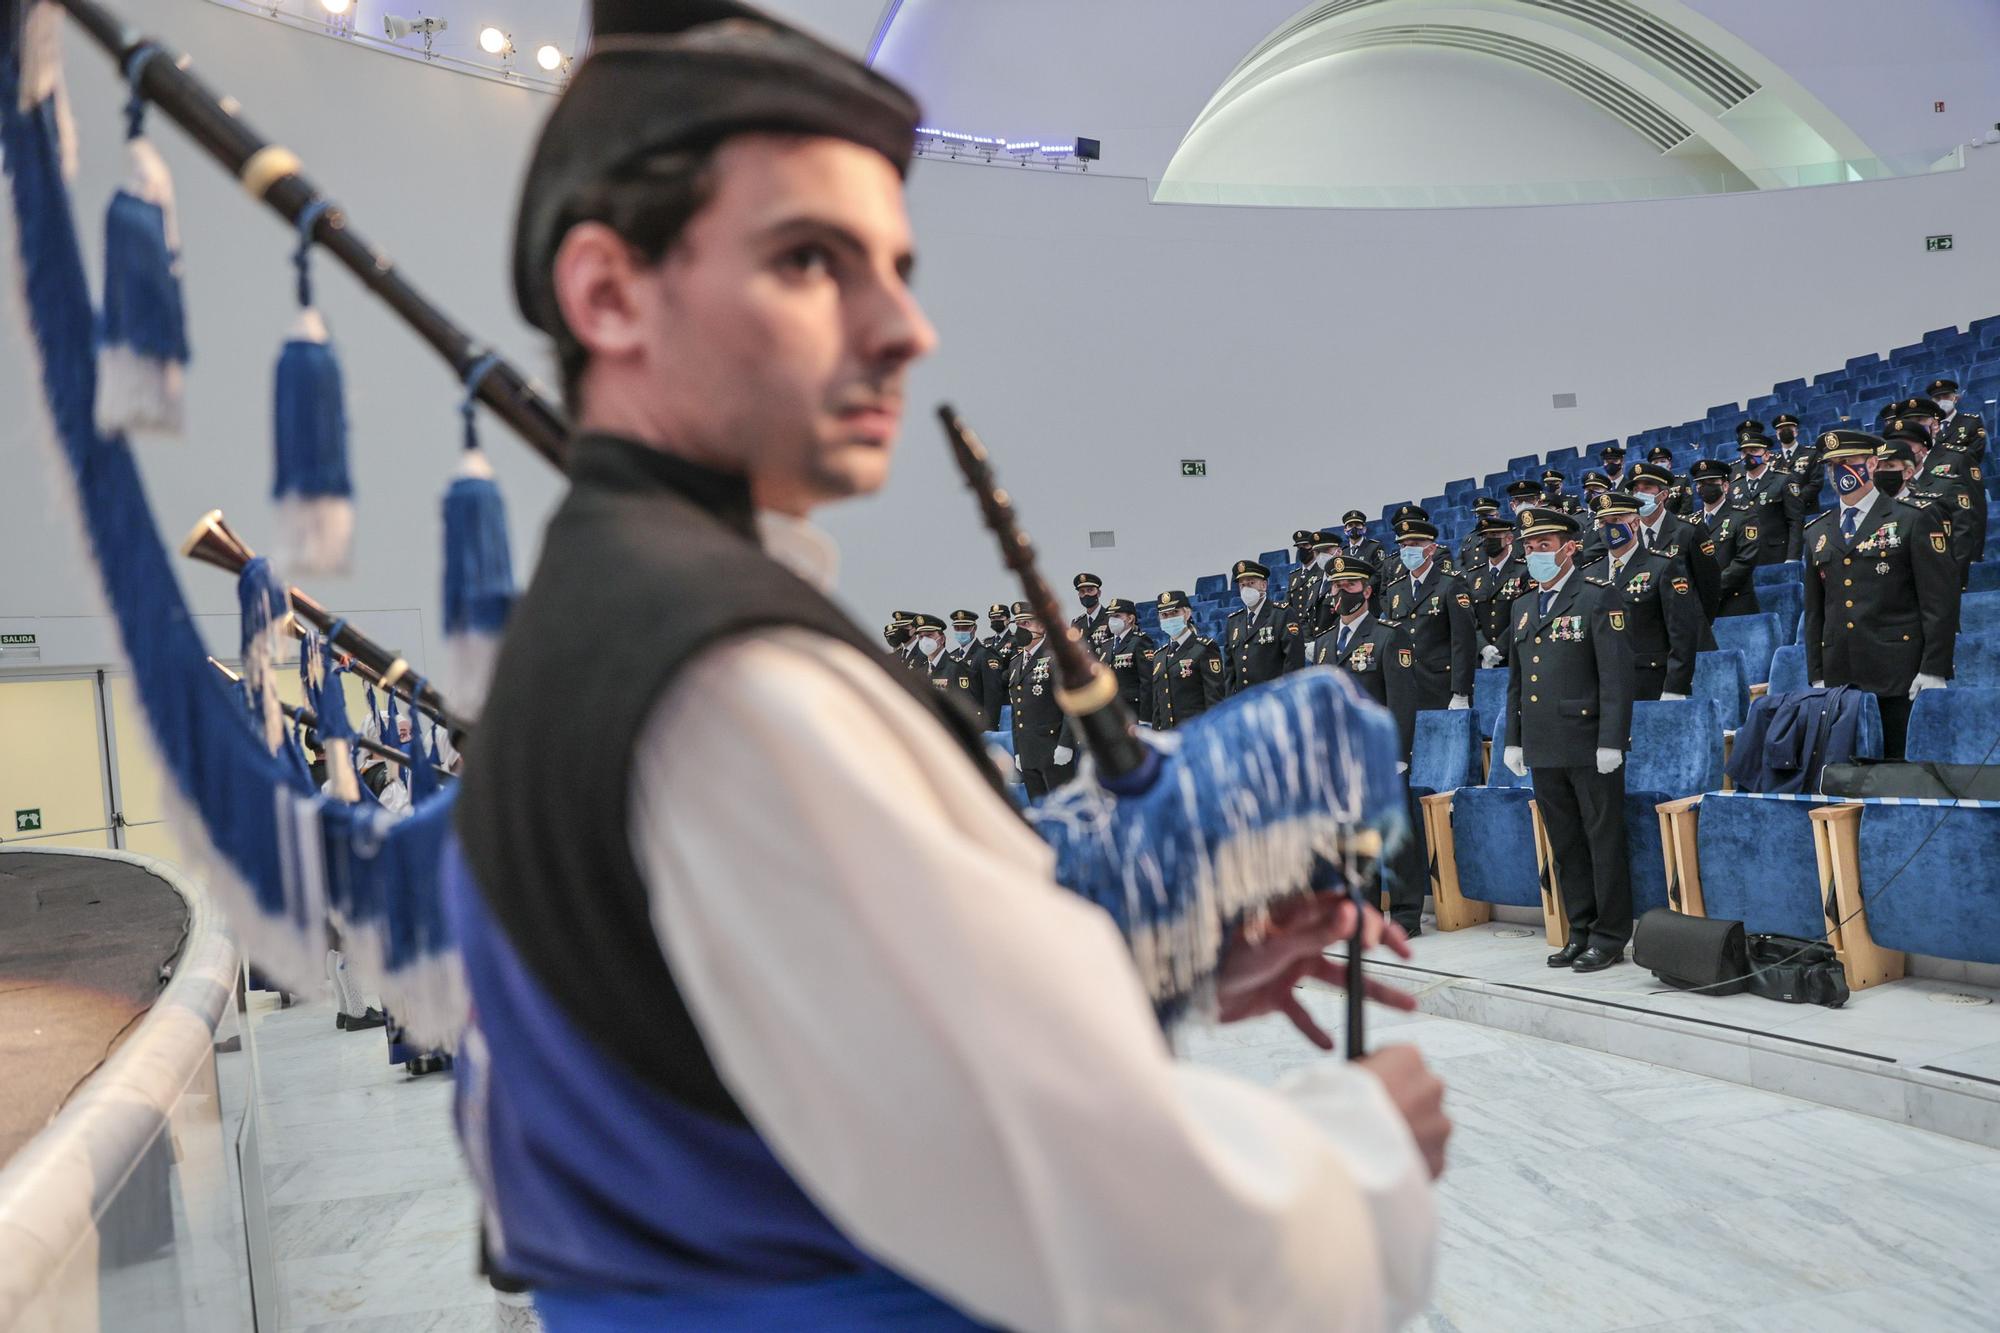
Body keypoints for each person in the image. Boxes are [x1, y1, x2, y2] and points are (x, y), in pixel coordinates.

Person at [450, 7, 1447, 1326]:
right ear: (610, 293)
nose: (903, 327)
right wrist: (1357, 1142)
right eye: (812, 260)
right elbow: (1104, 1217)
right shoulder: (728, 682)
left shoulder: (609, 621)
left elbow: (813, 1052)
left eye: (898, 267)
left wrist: (1172, 967)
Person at [1501, 507, 1634, 973]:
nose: (1535, 553)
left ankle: (1611, 935)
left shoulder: (1598, 596)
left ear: (1569, 547)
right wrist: (1513, 739)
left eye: (1544, 544)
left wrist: (1612, 740)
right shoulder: (1521, 607)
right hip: (1542, 743)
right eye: (1530, 546)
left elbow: (1615, 676)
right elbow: (1516, 682)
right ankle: (1580, 929)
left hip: (1586, 740)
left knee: (1603, 840)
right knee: (1565, 843)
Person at [1800, 431, 1960, 759]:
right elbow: (1816, 610)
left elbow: (1939, 601)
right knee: (1848, 775)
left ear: (1872, 463)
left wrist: (1934, 668)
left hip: (1898, 673)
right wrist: (1816, 674)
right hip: (1840, 678)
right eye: (1833, 464)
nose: (1839, 471)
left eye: (1848, 462)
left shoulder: (1911, 518)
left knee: (1899, 771)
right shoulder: (1817, 531)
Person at [1579, 492, 1699, 702]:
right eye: (1603, 522)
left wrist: (1675, 686)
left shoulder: (1663, 566)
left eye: (1616, 520)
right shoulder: (1589, 573)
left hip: (1649, 683)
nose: (1608, 527)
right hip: (1601, 688)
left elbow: (1682, 632)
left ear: (1635, 524)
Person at [1376, 518, 1475, 760]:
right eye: (1404, 544)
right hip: (1407, 689)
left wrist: (1460, 692)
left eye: (1416, 543)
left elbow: (1463, 641)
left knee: (1444, 758)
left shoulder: (1450, 584)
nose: (1409, 549)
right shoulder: (1395, 589)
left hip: (1441, 687)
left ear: (1431, 548)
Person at [1889, 418, 1982, 579]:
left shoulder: (1948, 484)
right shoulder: (1884, 492)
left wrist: (1953, 581)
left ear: (1924, 450)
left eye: (1909, 446)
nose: (1903, 452)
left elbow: (1961, 534)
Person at [1627, 461, 1720, 623]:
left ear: (1664, 494)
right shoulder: (1629, 537)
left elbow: (1709, 583)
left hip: (1690, 624)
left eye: (1647, 488)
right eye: (1636, 490)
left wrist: (1701, 622)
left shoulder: (1688, 530)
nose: (1640, 494)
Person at [1005, 605, 1079, 797]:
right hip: (1028, 752)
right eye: (1018, 624)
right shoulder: (1015, 663)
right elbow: (1016, 710)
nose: (1021, 629)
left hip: (1053, 749)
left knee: (1062, 811)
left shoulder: (1055, 657)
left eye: (1026, 623)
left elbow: (1071, 704)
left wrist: (1066, 743)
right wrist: (1018, 751)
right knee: (1039, 812)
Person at [1305, 557, 1388, 705]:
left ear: (1367, 592)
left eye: (1350, 584)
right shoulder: (1323, 641)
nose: (1343, 591)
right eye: (1338, 585)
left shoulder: (1387, 636)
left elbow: (1400, 703)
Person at [1687, 459, 1761, 618]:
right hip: (1701, 609)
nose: (1705, 486)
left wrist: (1710, 589)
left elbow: (1745, 561)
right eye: (1700, 483)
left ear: (1725, 486)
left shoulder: (1744, 516)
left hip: (1735, 605)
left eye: (1712, 481)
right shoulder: (1689, 524)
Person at [1149, 588, 1228, 729]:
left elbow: (1214, 698)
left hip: (1194, 733)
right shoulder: (1159, 656)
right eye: (1164, 615)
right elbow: (1158, 706)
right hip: (1168, 737)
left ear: (1186, 613)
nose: (1169, 618)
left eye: (1175, 613)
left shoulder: (1203, 648)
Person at [1465, 514, 1527, 669]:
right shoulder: (1472, 576)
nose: (1488, 540)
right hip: (1481, 659)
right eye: (1484, 536)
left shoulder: (1524, 571)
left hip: (1514, 656)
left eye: (1494, 535)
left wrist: (1500, 648)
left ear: (1509, 539)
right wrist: (1484, 648)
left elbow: (1524, 615)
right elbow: (1469, 618)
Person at [1731, 432, 1803, 564]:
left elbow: (1795, 521)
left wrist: (1793, 557)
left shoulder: (1783, 480)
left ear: (1767, 455)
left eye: (1754, 451)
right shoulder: (1734, 487)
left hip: (1776, 555)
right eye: (1744, 452)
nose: (1748, 456)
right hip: (1745, 559)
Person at [1222, 558, 1287, 694]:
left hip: (1274, 698)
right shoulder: (1234, 621)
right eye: (1242, 585)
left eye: (1251, 583)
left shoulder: (1281, 615)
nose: (1246, 588)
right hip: (1244, 702)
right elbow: (1230, 669)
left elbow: (1292, 663)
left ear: (1263, 585)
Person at [1094, 597, 1157, 722]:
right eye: (1110, 617)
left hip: (1132, 711)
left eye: (1117, 616)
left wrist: (1145, 718)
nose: (1112, 621)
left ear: (1130, 618)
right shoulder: (1106, 644)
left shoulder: (1140, 641)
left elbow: (1147, 682)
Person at [1070, 572, 1108, 644]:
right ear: (1079, 595)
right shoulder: (1077, 623)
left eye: (1090, 590)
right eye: (1082, 591)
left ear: (1099, 593)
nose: (1086, 594)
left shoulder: (1109, 617)